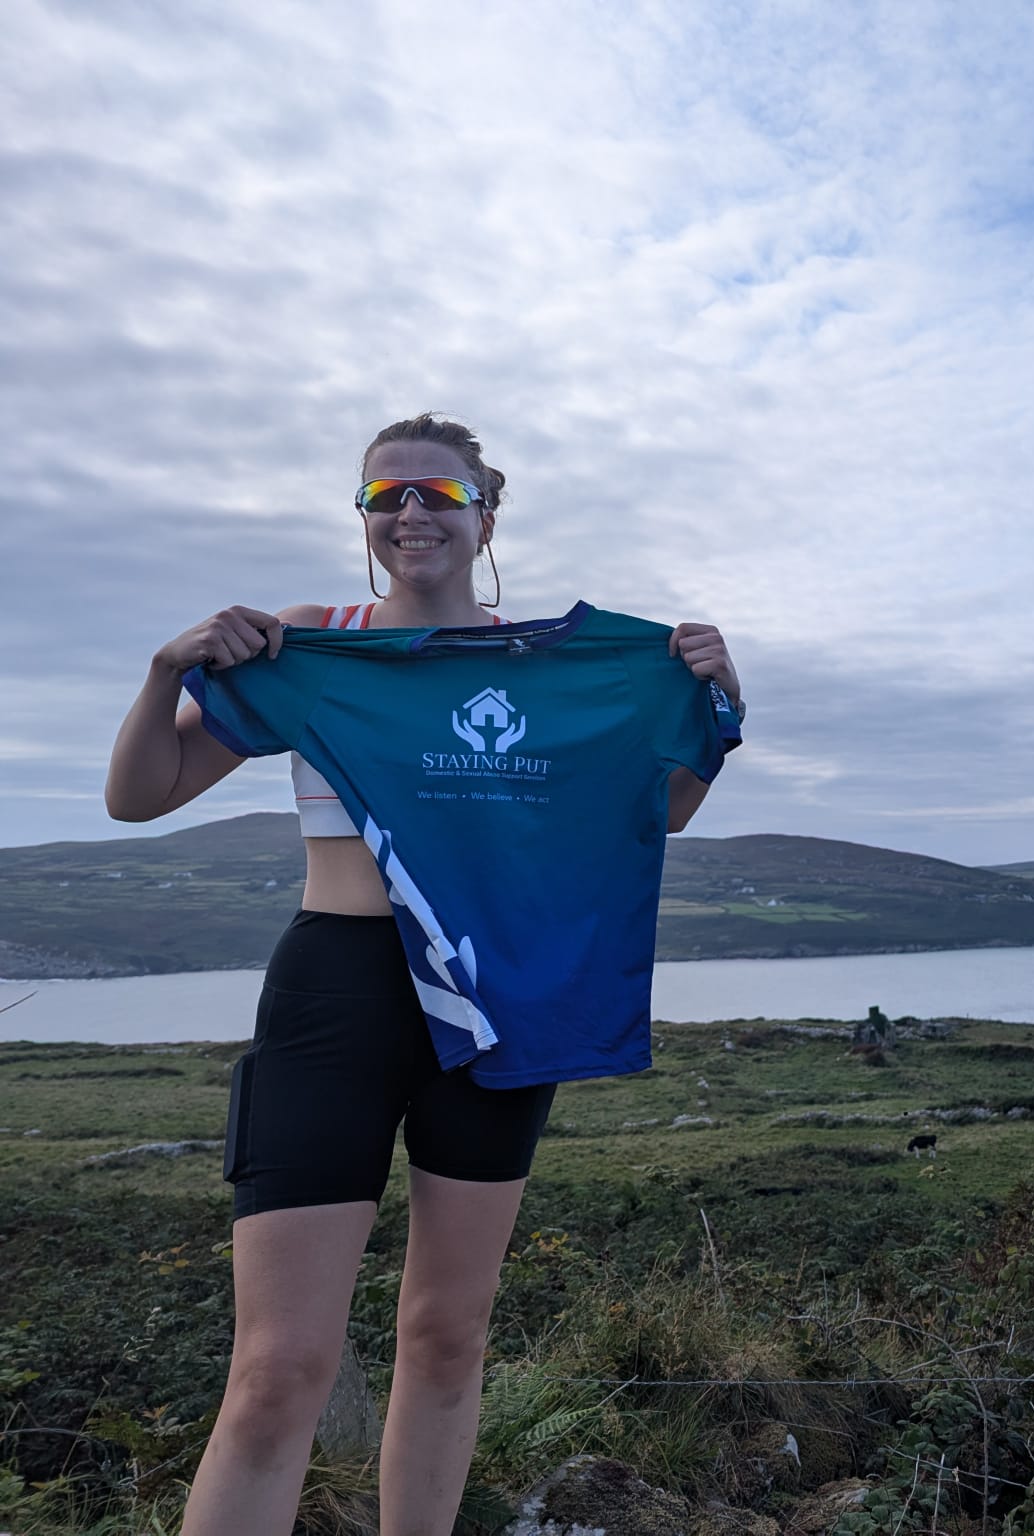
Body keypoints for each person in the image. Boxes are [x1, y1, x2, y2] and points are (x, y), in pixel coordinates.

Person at [104, 414, 741, 1535]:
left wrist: (714, 699)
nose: (410, 512)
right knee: (279, 1368)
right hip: (336, 993)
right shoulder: (313, 643)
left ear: (485, 519)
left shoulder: (560, 668)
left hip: (499, 998)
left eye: (439, 495)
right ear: (364, 518)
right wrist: (166, 671)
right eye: (385, 495)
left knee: (448, 1334)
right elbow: (139, 795)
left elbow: (662, 808)